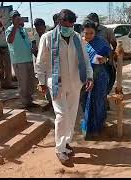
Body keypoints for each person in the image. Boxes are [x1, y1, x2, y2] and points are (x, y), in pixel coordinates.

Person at [35, 9, 94, 165]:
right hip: (56, 84)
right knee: (62, 115)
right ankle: (59, 149)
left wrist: (89, 76)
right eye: (66, 25)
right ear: (59, 23)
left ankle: (66, 141)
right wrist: (41, 82)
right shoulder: (47, 38)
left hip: (75, 82)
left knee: (72, 114)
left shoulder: (76, 38)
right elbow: (40, 63)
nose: (69, 28)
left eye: (72, 25)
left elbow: (86, 60)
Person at [80, 20, 111, 139]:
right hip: (84, 77)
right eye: (86, 33)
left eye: (91, 33)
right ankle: (88, 127)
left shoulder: (101, 42)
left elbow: (110, 56)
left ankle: (98, 126)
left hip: (100, 76)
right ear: (82, 32)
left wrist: (105, 60)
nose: (88, 36)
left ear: (95, 33)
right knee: (86, 101)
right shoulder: (79, 43)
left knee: (99, 101)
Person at [5, 10, 38, 109]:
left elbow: (28, 42)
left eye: (19, 16)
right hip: (19, 61)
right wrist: (15, 26)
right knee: (23, 83)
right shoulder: (9, 29)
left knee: (30, 82)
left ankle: (29, 101)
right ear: (12, 19)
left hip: (28, 59)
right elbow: (10, 40)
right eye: (16, 17)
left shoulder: (23, 30)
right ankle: (25, 103)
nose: (18, 18)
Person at [86, 13, 117, 110]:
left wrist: (109, 57)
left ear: (98, 21)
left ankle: (103, 103)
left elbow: (114, 44)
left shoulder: (106, 31)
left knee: (104, 87)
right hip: (89, 66)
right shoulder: (85, 33)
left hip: (104, 65)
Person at [31, 18, 53, 112]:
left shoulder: (49, 36)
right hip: (40, 65)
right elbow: (34, 51)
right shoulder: (35, 37)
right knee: (42, 83)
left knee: (50, 83)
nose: (38, 29)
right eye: (36, 27)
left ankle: (52, 103)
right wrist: (36, 52)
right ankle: (49, 102)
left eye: (40, 27)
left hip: (49, 65)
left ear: (44, 27)